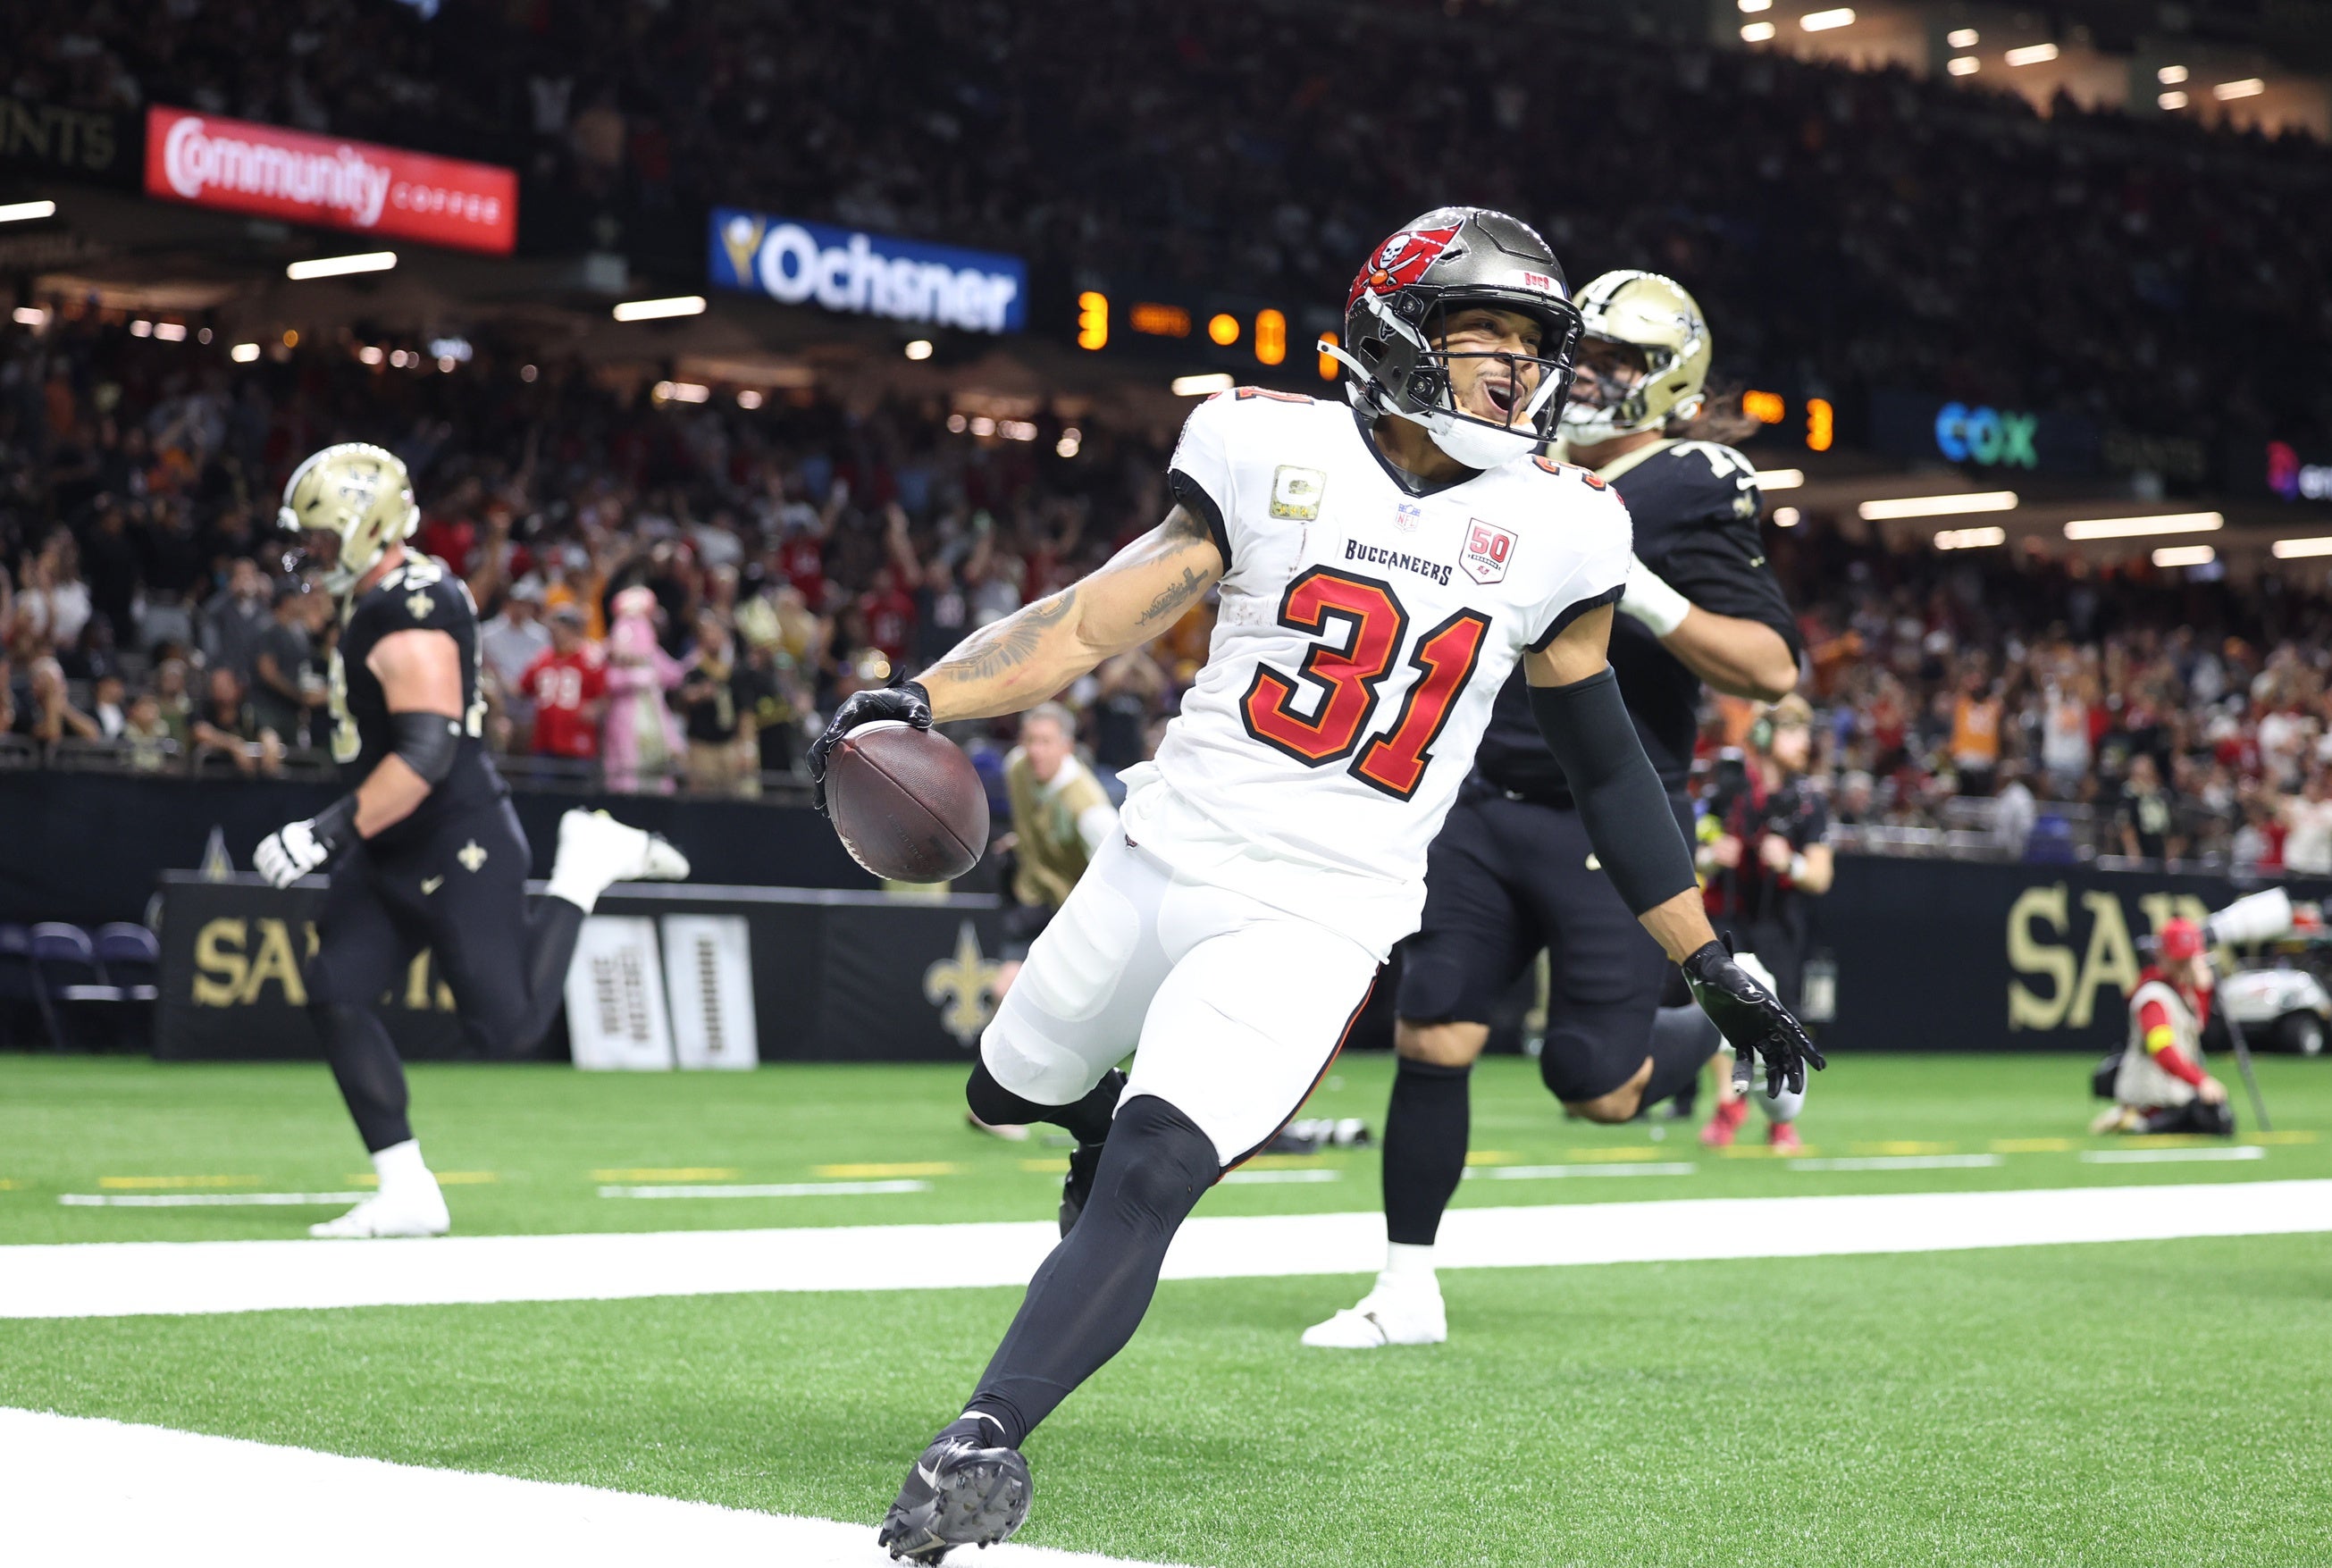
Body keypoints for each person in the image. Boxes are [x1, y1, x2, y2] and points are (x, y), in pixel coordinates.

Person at [809, 209, 1820, 1563]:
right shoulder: (1262, 442)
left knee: (1157, 1169)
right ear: (1400, 330)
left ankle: (983, 1435)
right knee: (1006, 1093)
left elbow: (1612, 771)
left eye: (1536, 348)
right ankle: (1082, 1121)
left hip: (1321, 907)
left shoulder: (1562, 525)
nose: (1522, 378)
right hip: (1162, 848)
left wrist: (1707, 958)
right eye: (1488, 341)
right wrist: (922, 692)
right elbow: (1099, 613)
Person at [1304, 270, 1804, 1351]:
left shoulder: (1689, 479)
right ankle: (1406, 1286)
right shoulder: (1510, 459)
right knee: (1433, 1029)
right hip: (1481, 798)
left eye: (1623, 364)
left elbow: (1769, 668)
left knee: (1595, 1087)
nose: (1591, 381)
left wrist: (1643, 590)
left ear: (1672, 382)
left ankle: (1710, 1034)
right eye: (1591, 356)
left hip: (1604, 818)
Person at [254, 445, 689, 1240]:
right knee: (334, 986)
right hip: (392, 837)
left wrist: (325, 831)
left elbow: (426, 756)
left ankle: (586, 865)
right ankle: (406, 1187)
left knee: (510, 1028)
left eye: (321, 534)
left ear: (364, 526)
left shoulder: (409, 608)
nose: (311, 551)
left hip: (456, 838)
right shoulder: (380, 593)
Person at [1697, 694, 1834, 1151]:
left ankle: (1780, 1119)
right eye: (1793, 731)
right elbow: (1694, 850)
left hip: (1780, 925)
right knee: (1721, 1014)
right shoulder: (1727, 791)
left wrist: (1790, 864)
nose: (1803, 743)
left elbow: (1820, 875)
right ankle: (1728, 1103)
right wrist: (1711, 856)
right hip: (1730, 917)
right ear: (1765, 734)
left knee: (1783, 1017)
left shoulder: (1809, 802)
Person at [2092, 918, 2234, 1136]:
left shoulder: (2185, 994)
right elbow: (2162, 1049)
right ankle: (2135, 1121)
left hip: (2174, 1093)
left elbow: (2194, 1029)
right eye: (2180, 961)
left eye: (2189, 960)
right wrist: (2201, 1081)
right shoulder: (2154, 998)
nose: (2185, 967)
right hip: (2151, 1097)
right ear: (2163, 957)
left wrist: (2204, 990)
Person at [519, 606, 608, 765]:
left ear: (574, 631)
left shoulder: (590, 661)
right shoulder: (543, 659)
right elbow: (522, 688)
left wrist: (596, 709)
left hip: (578, 739)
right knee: (543, 786)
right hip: (545, 739)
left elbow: (605, 695)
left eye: (560, 631)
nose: (555, 636)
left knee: (576, 787)